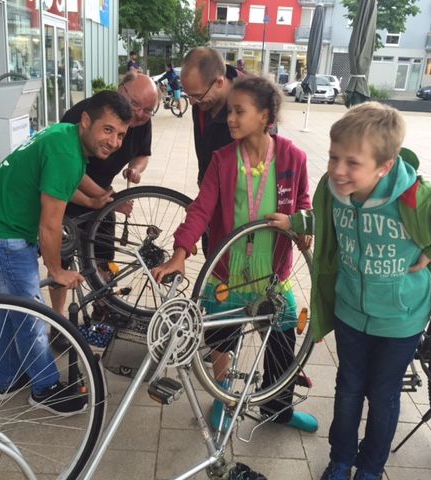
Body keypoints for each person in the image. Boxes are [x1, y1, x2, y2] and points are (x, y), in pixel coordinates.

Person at [267, 102, 431, 480]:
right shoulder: (334, 190)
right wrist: (297, 219)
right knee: (347, 391)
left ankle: (371, 467)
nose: (338, 170)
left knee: (382, 397)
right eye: (333, 158)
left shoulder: (419, 196)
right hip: (350, 312)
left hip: (400, 319)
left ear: (385, 165)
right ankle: (341, 458)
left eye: (352, 162)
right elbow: (326, 219)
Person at [152, 76, 319, 435]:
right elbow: (200, 209)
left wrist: (300, 224)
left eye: (238, 111)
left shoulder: (293, 157)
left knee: (280, 342)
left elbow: (304, 202)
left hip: (273, 274)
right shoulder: (223, 160)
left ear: (265, 116)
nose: (230, 118)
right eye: (229, 111)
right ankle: (223, 397)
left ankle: (279, 408)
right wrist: (181, 252)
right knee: (221, 340)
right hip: (227, 272)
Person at [0, 91, 132, 416]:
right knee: (31, 313)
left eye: (121, 135)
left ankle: (7, 378)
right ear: (87, 121)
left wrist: (96, 199)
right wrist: (56, 271)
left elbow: (64, 182)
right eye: (108, 130)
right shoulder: (66, 152)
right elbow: (51, 225)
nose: (114, 141)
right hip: (1, 239)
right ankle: (44, 388)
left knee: (13, 307)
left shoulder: (65, 136)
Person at [48, 71, 158, 319]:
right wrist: (108, 199)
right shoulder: (83, 115)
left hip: (103, 196)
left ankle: (104, 305)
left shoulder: (141, 123)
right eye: (136, 105)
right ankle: (58, 319)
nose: (140, 114)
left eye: (148, 110)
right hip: (67, 193)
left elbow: (143, 153)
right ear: (122, 91)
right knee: (61, 261)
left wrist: (135, 169)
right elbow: (69, 171)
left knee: (104, 257)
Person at [180, 47, 242, 186]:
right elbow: (203, 147)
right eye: (188, 95)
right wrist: (202, 180)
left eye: (197, 95)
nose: (191, 102)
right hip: (211, 187)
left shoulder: (254, 99)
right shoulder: (201, 101)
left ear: (219, 82)